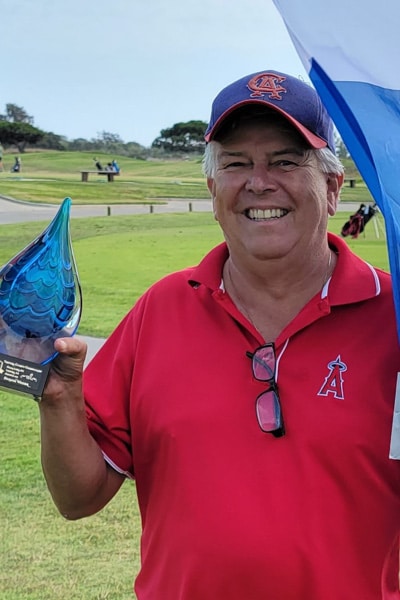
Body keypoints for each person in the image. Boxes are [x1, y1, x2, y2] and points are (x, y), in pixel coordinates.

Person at [38, 70, 400, 599]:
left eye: (284, 160)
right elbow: (78, 498)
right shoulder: (160, 311)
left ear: (332, 186)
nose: (259, 181)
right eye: (235, 164)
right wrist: (58, 399)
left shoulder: (394, 315)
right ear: (213, 191)